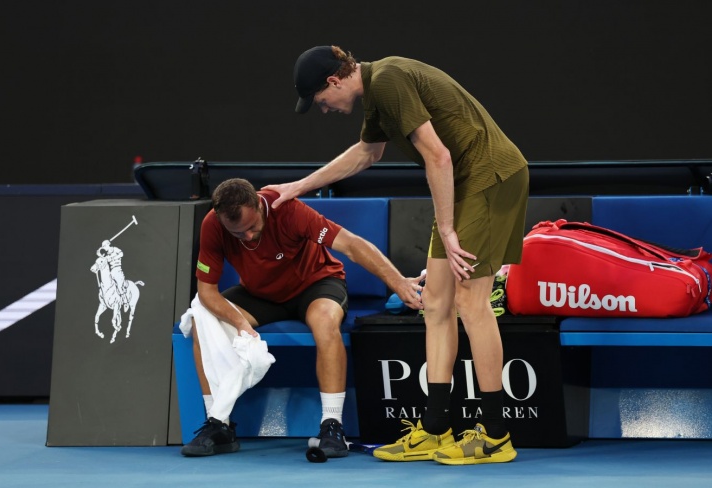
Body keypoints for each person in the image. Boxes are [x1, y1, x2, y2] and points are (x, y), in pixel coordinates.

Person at [264, 45, 529, 465]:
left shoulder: (387, 80)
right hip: (463, 185)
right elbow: (367, 153)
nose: (324, 109)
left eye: (321, 100)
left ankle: (496, 435)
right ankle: (436, 428)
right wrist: (298, 187)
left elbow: (438, 155)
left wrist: (447, 227)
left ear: (333, 81)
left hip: (490, 177)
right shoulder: (377, 91)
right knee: (435, 303)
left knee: (470, 301)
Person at [180, 177, 424, 458]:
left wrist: (398, 282)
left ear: (258, 205)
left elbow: (351, 244)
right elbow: (206, 292)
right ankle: (218, 423)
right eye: (238, 234)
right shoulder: (213, 224)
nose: (247, 237)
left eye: (252, 227)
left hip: (316, 285)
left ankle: (332, 425)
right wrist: (239, 322)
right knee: (202, 320)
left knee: (325, 321)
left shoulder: (287, 209)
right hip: (261, 294)